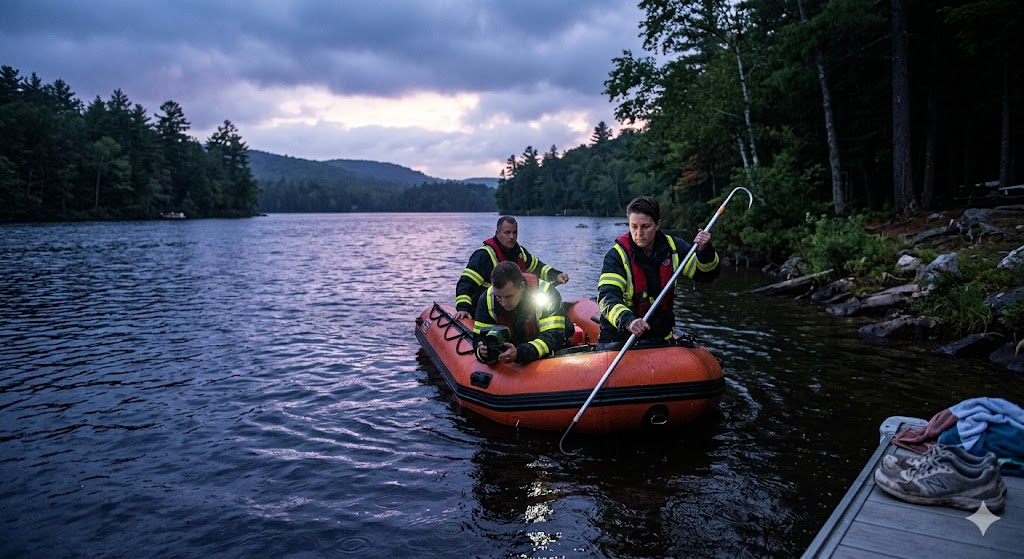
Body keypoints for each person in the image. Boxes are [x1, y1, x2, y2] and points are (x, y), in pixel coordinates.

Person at [597, 196, 720, 347]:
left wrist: (704, 251)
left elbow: (706, 275)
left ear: (657, 225)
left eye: (645, 226)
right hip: (620, 340)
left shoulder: (674, 248)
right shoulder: (616, 256)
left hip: (659, 338)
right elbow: (607, 297)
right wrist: (628, 321)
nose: (639, 233)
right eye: (634, 226)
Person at [454, 216, 569, 320]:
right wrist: (463, 308)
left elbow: (538, 267)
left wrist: (556, 275)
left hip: (513, 308)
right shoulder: (484, 255)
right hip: (487, 311)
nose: (511, 237)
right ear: (497, 233)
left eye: (515, 232)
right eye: (507, 233)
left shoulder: (520, 253)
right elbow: (466, 283)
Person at [472, 261, 567, 365]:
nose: (504, 303)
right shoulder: (487, 298)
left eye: (509, 297)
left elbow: (553, 336)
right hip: (516, 346)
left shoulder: (546, 293)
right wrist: (484, 352)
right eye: (498, 297)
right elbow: (479, 337)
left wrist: (519, 353)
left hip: (544, 351)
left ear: (522, 286)